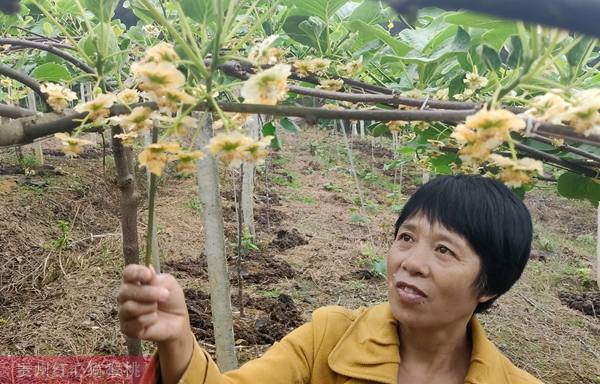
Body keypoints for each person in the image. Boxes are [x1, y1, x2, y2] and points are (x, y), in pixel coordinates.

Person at [118, 175, 543, 384]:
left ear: (491, 283)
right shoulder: (328, 339)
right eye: (406, 237)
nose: (411, 262)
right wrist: (177, 341)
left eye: (444, 250)